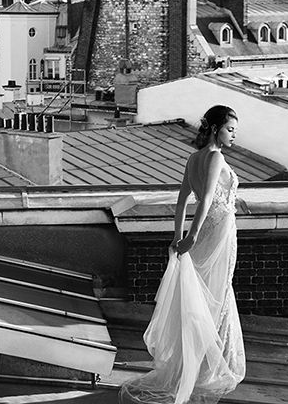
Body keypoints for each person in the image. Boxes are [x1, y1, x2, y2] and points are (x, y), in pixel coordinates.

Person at [119, 105, 246, 404]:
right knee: (215, 294)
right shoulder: (215, 157)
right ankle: (204, 368)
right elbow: (201, 204)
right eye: (230, 130)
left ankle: (196, 364)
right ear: (215, 128)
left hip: (209, 232)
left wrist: (179, 235)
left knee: (203, 295)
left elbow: (181, 203)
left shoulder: (193, 158)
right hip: (217, 233)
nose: (233, 136)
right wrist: (190, 237)